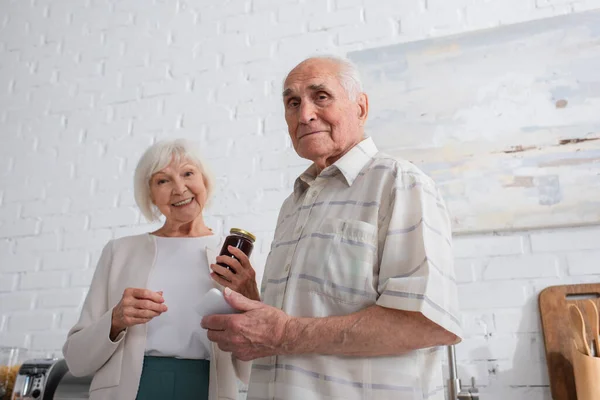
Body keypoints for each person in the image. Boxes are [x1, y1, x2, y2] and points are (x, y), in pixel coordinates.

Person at [201, 56, 462, 400]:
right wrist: (251, 297)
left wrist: (284, 332)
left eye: (320, 96)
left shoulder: (401, 182)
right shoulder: (292, 204)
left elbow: (428, 321)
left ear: (361, 107)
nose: (304, 114)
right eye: (292, 102)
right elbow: (296, 324)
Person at [63, 139, 259, 400]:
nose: (179, 188)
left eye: (188, 173)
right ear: (150, 195)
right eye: (163, 181)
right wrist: (116, 319)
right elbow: (77, 361)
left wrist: (250, 303)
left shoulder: (234, 258)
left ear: (205, 181)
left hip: (207, 390)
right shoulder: (119, 252)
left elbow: (254, 372)